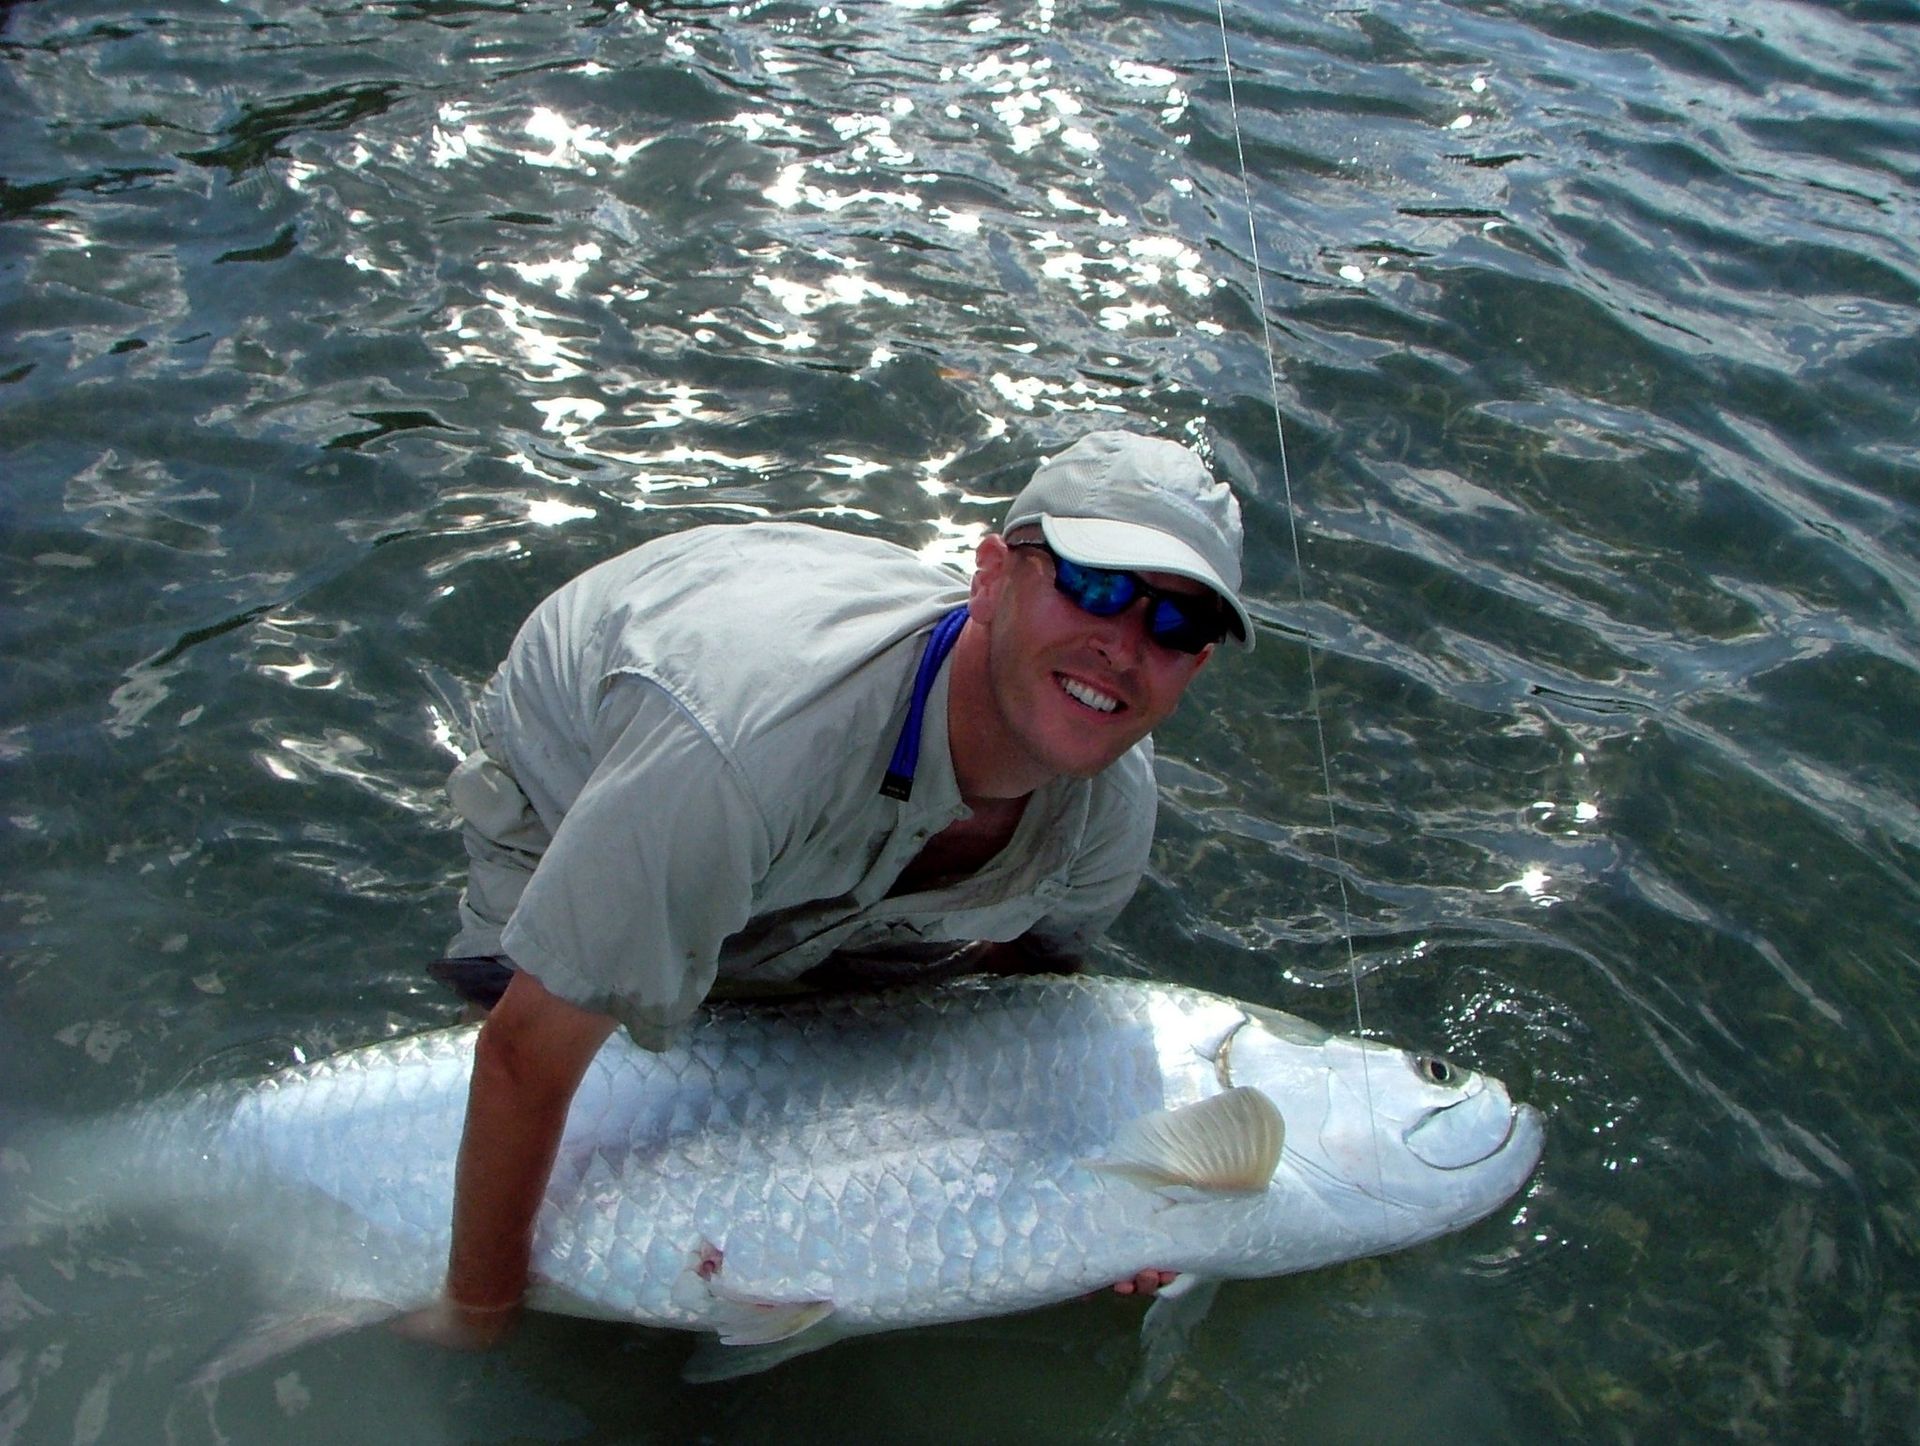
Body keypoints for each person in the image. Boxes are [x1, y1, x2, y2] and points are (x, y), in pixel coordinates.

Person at [409, 430, 1255, 1347]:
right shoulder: (730, 761)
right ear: (991, 578)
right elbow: (520, 1058)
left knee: (813, 1010)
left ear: (1197, 667)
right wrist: (477, 1316)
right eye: (1092, 585)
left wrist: (1098, 1209)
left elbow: (1015, 1015)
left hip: (765, 766)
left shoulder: (1112, 817)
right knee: (549, 1061)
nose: (1123, 646)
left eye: (1176, 626)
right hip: (605, 745)